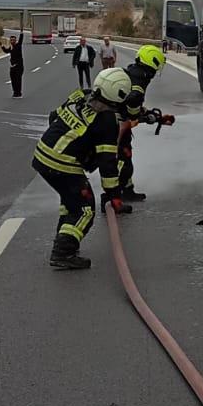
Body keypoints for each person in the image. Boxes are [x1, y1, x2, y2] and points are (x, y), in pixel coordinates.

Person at [32, 68, 133, 270]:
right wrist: (113, 195)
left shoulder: (80, 95)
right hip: (62, 163)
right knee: (85, 208)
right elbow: (107, 163)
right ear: (119, 95)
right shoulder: (107, 121)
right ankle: (63, 252)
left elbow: (54, 117)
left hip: (43, 154)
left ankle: (65, 237)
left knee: (71, 201)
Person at [106, 43, 169, 207]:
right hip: (116, 124)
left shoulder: (133, 73)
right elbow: (132, 106)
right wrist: (145, 117)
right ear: (151, 63)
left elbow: (130, 103)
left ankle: (127, 191)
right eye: (157, 66)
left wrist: (146, 113)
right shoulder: (139, 82)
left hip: (117, 121)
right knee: (122, 160)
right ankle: (112, 195)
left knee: (126, 158)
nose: (156, 71)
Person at [1, 29, 25, 97]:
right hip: (12, 67)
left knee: (18, 80)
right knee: (13, 80)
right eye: (11, 40)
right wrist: (2, 46)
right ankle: (15, 92)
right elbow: (6, 51)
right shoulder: (11, 47)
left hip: (19, 67)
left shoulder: (18, 45)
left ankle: (19, 93)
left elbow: (20, 40)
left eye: (13, 40)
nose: (12, 41)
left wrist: (21, 33)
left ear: (15, 40)